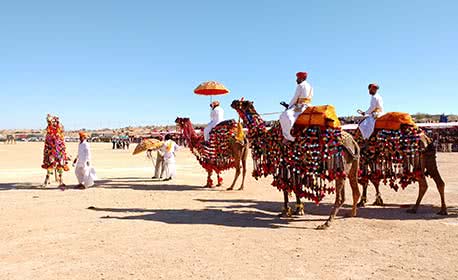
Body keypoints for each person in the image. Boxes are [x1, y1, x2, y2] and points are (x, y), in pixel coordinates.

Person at [279, 71, 314, 141]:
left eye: (297, 78)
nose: (296, 80)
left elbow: (295, 98)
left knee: (285, 115)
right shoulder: (310, 86)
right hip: (308, 105)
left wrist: (289, 107)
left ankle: (287, 136)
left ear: (301, 78)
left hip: (300, 106)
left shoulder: (300, 86)